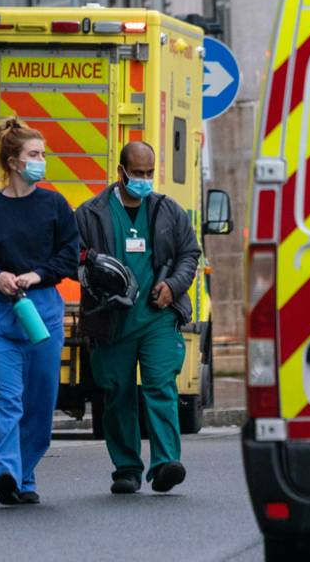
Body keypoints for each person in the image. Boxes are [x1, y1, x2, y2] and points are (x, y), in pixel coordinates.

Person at [0, 119, 79, 505]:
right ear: (13, 162)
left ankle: (24, 476)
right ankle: (4, 473)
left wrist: (37, 274)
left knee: (40, 407)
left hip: (42, 313)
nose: (41, 161)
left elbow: (69, 255)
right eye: (34, 154)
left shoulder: (55, 206)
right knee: (7, 402)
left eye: (42, 154)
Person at [75, 141, 200, 494]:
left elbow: (189, 252)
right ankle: (126, 468)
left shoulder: (167, 211)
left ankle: (165, 464)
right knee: (117, 392)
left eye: (149, 173)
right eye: (138, 173)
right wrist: (98, 274)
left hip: (157, 316)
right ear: (121, 173)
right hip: (112, 319)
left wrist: (173, 286)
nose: (144, 180)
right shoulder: (90, 213)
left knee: (161, 384)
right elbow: (73, 259)